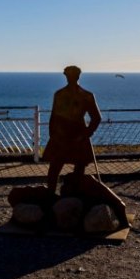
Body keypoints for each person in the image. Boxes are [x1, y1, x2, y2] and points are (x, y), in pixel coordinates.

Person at [43, 65, 101, 194]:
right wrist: (53, 135)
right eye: (68, 76)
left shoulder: (85, 96)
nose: (69, 78)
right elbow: (54, 117)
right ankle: (52, 195)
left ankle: (73, 195)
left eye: (71, 76)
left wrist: (86, 134)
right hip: (63, 136)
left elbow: (96, 118)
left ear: (76, 77)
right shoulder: (61, 95)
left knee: (76, 167)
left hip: (74, 135)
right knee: (55, 167)